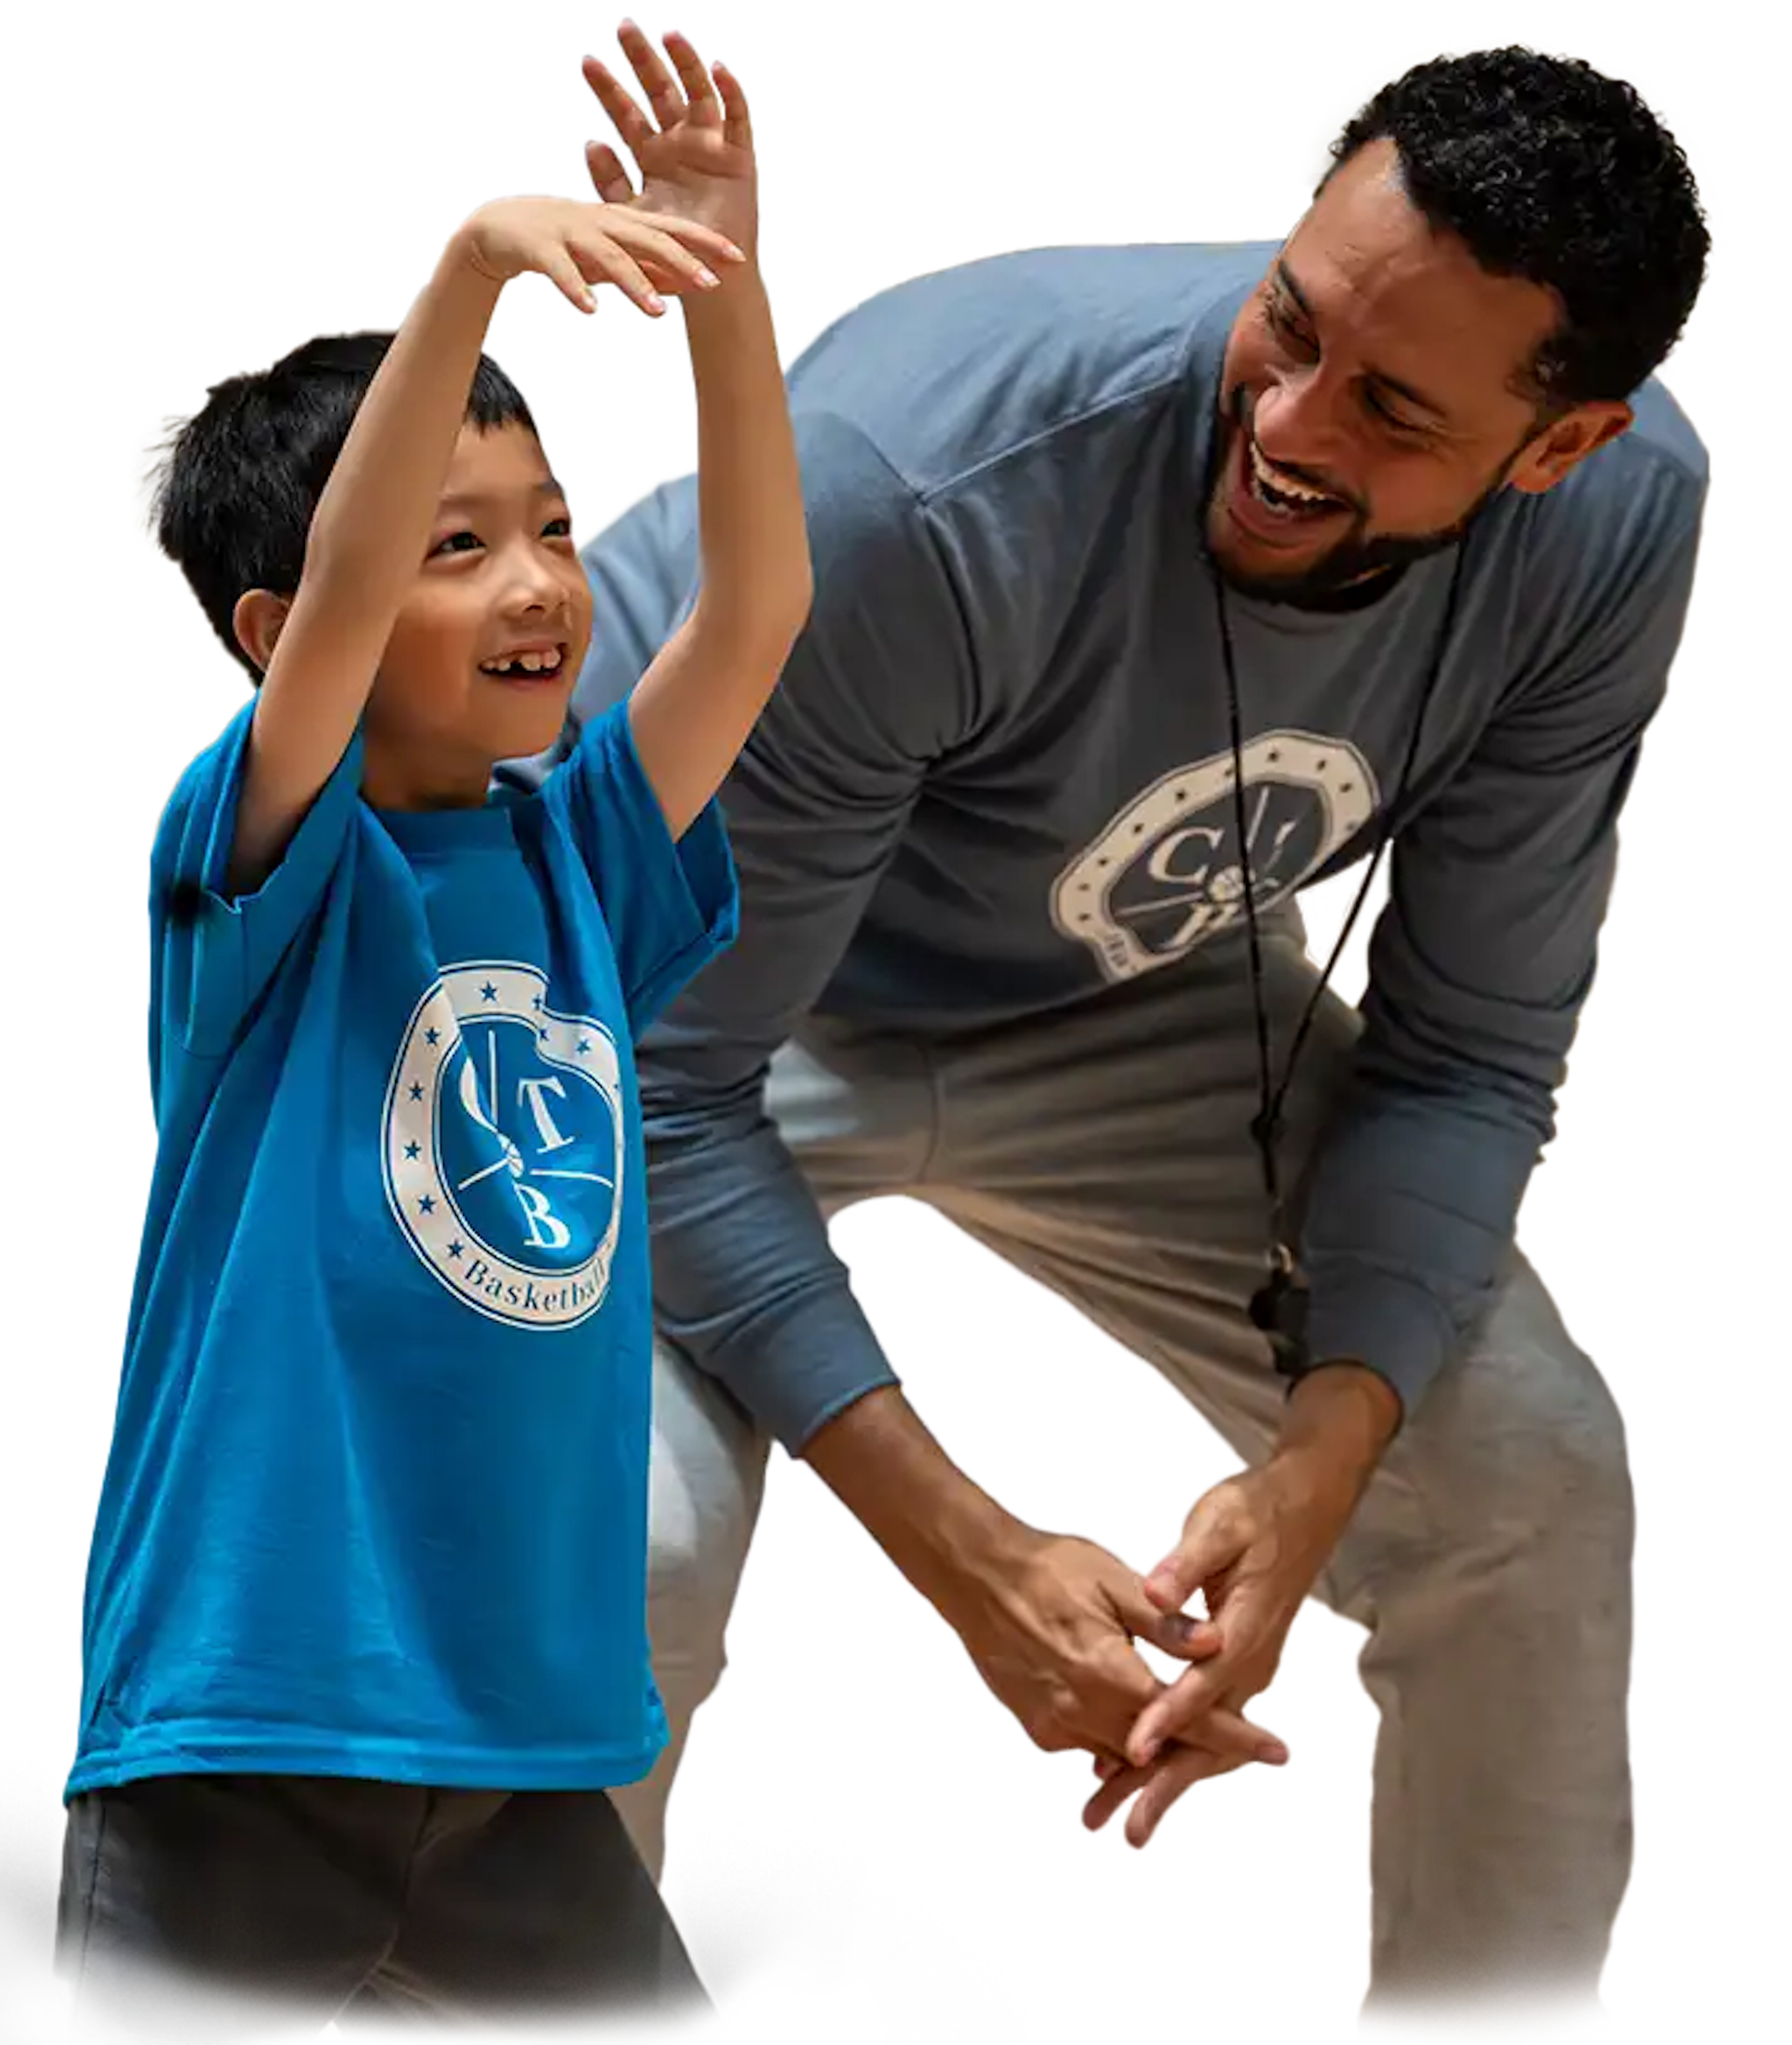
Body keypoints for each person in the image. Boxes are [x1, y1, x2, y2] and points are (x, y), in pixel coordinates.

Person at [495, 35, 1715, 2045]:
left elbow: (1471, 1052)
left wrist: (1329, 1453)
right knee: (611, 1540)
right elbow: (664, 1081)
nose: (1291, 420)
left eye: (1394, 405)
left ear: (1556, 445)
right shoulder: (910, 481)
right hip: (636, 988)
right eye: (1289, 319)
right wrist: (973, 1558)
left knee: (1526, 1477)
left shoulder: (1615, 530)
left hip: (1099, 985)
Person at [51, 21, 813, 2044]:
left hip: (526, 1754)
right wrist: (469, 268)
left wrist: (722, 287)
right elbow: (342, 611)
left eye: (551, 526)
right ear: (279, 635)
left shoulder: (585, 859)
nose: (537, 583)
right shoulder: (267, 861)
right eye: (453, 550)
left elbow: (751, 611)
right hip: (246, 1722)